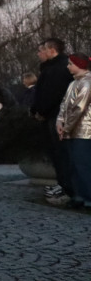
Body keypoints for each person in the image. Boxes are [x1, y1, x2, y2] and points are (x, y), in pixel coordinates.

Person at [32, 38, 75, 203]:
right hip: (52, 114)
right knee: (56, 154)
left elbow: (53, 93)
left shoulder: (58, 68)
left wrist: (41, 110)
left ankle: (67, 187)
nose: (39, 53)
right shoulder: (51, 68)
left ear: (51, 50)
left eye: (42, 50)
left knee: (61, 153)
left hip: (56, 115)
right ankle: (63, 184)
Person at [56, 53, 91, 208]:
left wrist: (66, 128)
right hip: (71, 131)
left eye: (71, 63)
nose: (68, 66)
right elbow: (64, 104)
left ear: (79, 64)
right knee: (73, 165)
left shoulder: (87, 83)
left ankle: (88, 197)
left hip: (84, 131)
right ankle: (78, 195)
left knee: (82, 164)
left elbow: (79, 109)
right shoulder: (73, 83)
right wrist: (59, 120)